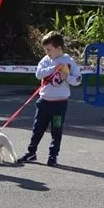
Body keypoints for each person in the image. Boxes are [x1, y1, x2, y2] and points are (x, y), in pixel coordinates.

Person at [17, 31, 82, 167]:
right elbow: (38, 74)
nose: (47, 52)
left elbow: (78, 79)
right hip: (44, 102)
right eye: (45, 50)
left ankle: (53, 156)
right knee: (37, 128)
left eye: (49, 49)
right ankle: (31, 152)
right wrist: (53, 68)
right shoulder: (46, 60)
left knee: (56, 130)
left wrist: (67, 78)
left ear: (58, 48)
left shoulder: (68, 61)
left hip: (59, 103)